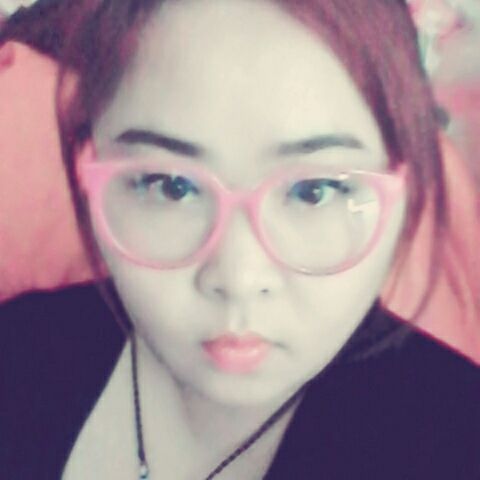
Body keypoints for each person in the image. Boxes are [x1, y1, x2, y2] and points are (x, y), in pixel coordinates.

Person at [1, 0, 479, 479]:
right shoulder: (18, 350)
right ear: (87, 170)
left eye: (314, 191)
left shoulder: (458, 439)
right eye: (171, 186)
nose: (238, 278)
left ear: (405, 189)